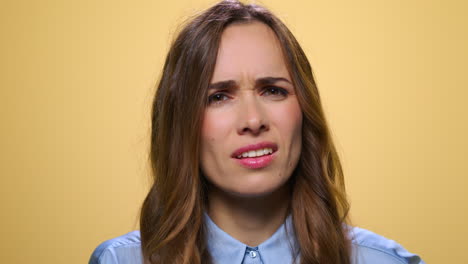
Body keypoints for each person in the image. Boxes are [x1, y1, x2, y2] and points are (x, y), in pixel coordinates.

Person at [89, 1, 425, 263]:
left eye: (273, 90)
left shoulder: (385, 261)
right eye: (218, 96)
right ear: (182, 123)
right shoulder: (119, 260)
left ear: (305, 110)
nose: (252, 120)